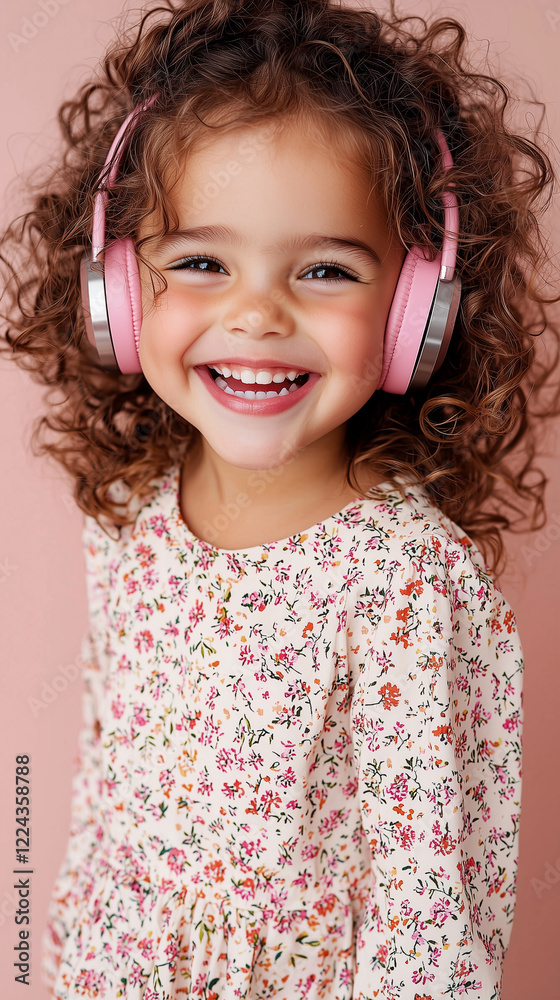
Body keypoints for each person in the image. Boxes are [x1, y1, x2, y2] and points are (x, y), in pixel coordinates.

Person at [1, 0, 558, 996]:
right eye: (200, 262)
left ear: (416, 316)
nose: (257, 313)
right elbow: (101, 787)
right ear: (116, 286)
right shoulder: (129, 511)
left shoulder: (403, 579)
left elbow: (426, 917)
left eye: (326, 270)